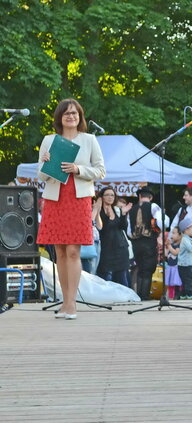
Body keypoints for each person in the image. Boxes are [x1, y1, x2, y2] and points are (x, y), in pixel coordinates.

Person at [36, 98, 106, 320]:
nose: (71, 116)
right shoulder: (49, 140)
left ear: (80, 117)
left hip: (78, 198)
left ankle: (71, 303)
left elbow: (100, 170)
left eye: (74, 113)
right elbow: (41, 175)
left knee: (74, 251)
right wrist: (46, 163)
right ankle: (64, 302)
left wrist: (78, 169)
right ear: (59, 117)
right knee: (60, 252)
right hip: (55, 198)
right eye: (66, 113)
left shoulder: (89, 140)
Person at [127, 187, 165, 300]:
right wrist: (159, 233)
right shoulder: (153, 206)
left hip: (136, 242)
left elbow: (129, 231)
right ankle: (145, 295)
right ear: (151, 197)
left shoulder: (132, 209)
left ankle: (139, 294)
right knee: (148, 268)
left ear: (139, 196)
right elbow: (161, 221)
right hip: (149, 241)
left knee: (140, 267)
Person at [96, 186, 132, 286]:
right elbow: (102, 228)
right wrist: (107, 217)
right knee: (105, 274)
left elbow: (123, 226)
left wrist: (124, 214)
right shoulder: (99, 211)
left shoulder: (116, 209)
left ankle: (125, 297)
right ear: (102, 197)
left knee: (121, 275)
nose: (110, 197)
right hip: (106, 247)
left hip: (120, 246)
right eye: (107, 195)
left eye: (112, 195)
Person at [165, 227, 182, 299]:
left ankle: (177, 295)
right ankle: (171, 295)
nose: (172, 235)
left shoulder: (178, 245)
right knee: (170, 282)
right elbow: (166, 255)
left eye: (174, 233)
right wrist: (167, 246)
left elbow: (175, 253)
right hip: (170, 266)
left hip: (176, 267)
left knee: (176, 281)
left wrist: (169, 246)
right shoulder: (171, 244)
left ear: (180, 235)